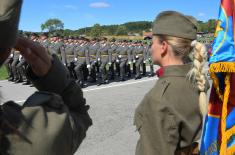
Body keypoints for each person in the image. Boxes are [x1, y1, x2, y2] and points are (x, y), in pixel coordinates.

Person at [0, 0, 92, 155]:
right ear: (6, 51)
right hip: (57, 65)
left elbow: (64, 53)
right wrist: (57, 81)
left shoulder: (66, 45)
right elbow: (78, 114)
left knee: (79, 70)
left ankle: (87, 78)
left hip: (74, 60)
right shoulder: (30, 138)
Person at [134, 11, 209, 155]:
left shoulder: (161, 97)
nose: (151, 48)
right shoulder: (197, 79)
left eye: (152, 43)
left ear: (163, 46)